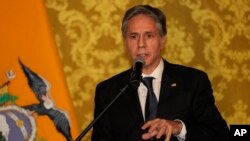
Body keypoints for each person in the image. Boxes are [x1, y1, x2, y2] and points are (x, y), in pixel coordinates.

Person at [91, 4, 229, 141]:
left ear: (162, 41)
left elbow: (220, 135)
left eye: (149, 36)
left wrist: (179, 128)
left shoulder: (193, 82)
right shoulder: (108, 92)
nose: (141, 44)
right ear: (125, 42)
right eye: (133, 36)